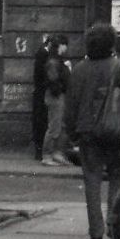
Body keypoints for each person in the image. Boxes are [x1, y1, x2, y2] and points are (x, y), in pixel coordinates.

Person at [64, 23, 120, 239]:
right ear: (111, 44)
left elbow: (71, 106)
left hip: (88, 134)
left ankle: (95, 232)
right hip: (114, 132)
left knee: (92, 182)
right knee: (117, 179)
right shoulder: (119, 67)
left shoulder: (78, 70)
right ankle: (113, 226)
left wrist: (71, 133)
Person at [40, 37, 71, 166]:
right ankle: (47, 155)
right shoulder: (54, 62)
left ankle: (56, 153)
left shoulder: (56, 60)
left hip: (58, 95)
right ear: (61, 46)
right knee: (54, 126)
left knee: (60, 125)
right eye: (65, 46)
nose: (67, 49)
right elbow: (54, 81)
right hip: (56, 96)